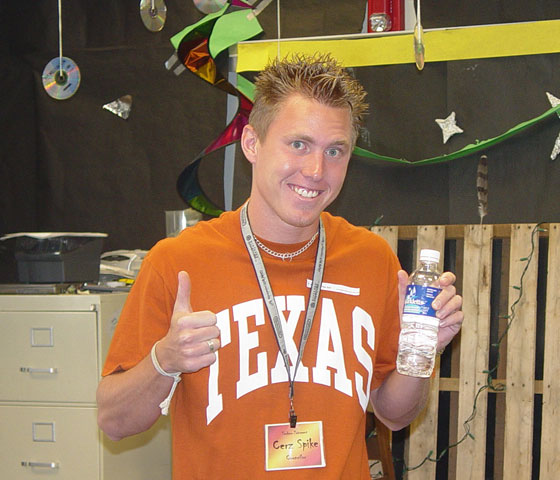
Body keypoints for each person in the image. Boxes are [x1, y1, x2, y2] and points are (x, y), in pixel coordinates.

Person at [97, 53, 463, 479]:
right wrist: (165, 360)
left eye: (335, 151)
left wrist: (422, 351)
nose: (316, 170)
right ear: (252, 144)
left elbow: (395, 414)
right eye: (298, 144)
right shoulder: (178, 263)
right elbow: (114, 422)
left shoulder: (371, 259)